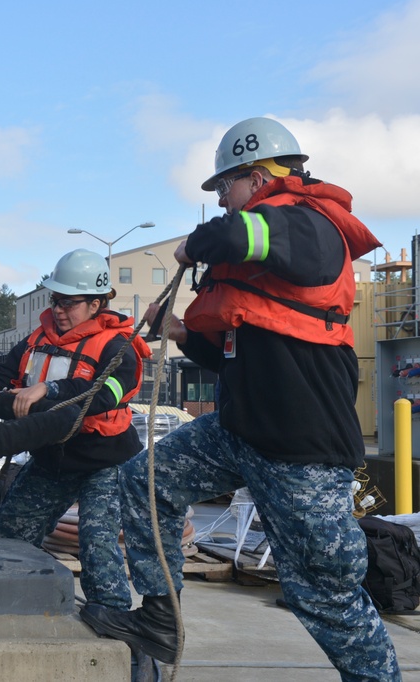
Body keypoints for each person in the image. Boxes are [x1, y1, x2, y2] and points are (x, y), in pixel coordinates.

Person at [80, 117, 401, 679]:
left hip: (299, 448)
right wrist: (181, 333)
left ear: (255, 177)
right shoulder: (264, 247)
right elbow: (233, 351)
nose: (222, 202)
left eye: (224, 188)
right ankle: (159, 617)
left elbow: (233, 236)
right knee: (146, 479)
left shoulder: (312, 226)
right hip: (239, 431)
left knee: (324, 594)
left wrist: (192, 246)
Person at [0, 249, 155, 676]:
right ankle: (0, 620)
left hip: (105, 464)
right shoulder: (36, 341)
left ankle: (125, 653)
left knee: (98, 549)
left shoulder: (118, 346)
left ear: (96, 303)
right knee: (9, 539)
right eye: (55, 300)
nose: (58, 310)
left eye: (68, 302)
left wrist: (48, 392)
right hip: (52, 459)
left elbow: (109, 389)